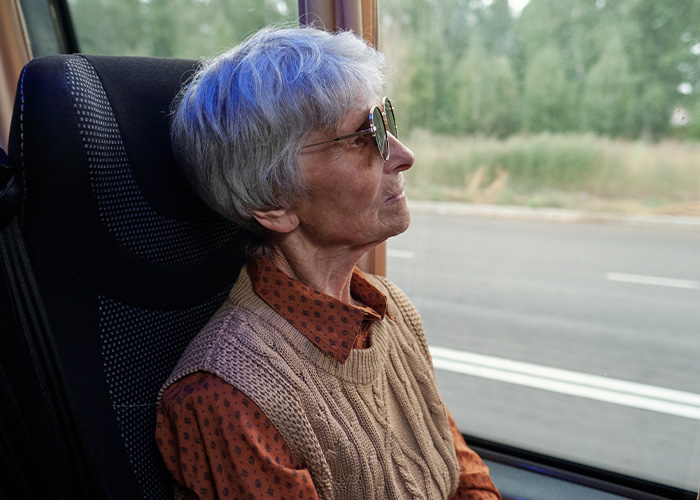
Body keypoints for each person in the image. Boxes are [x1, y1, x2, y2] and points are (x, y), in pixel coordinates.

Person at [156, 25, 501, 500]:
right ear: (274, 204)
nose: (403, 155)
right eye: (362, 138)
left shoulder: (388, 310)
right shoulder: (227, 397)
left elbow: (465, 478)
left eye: (386, 122)